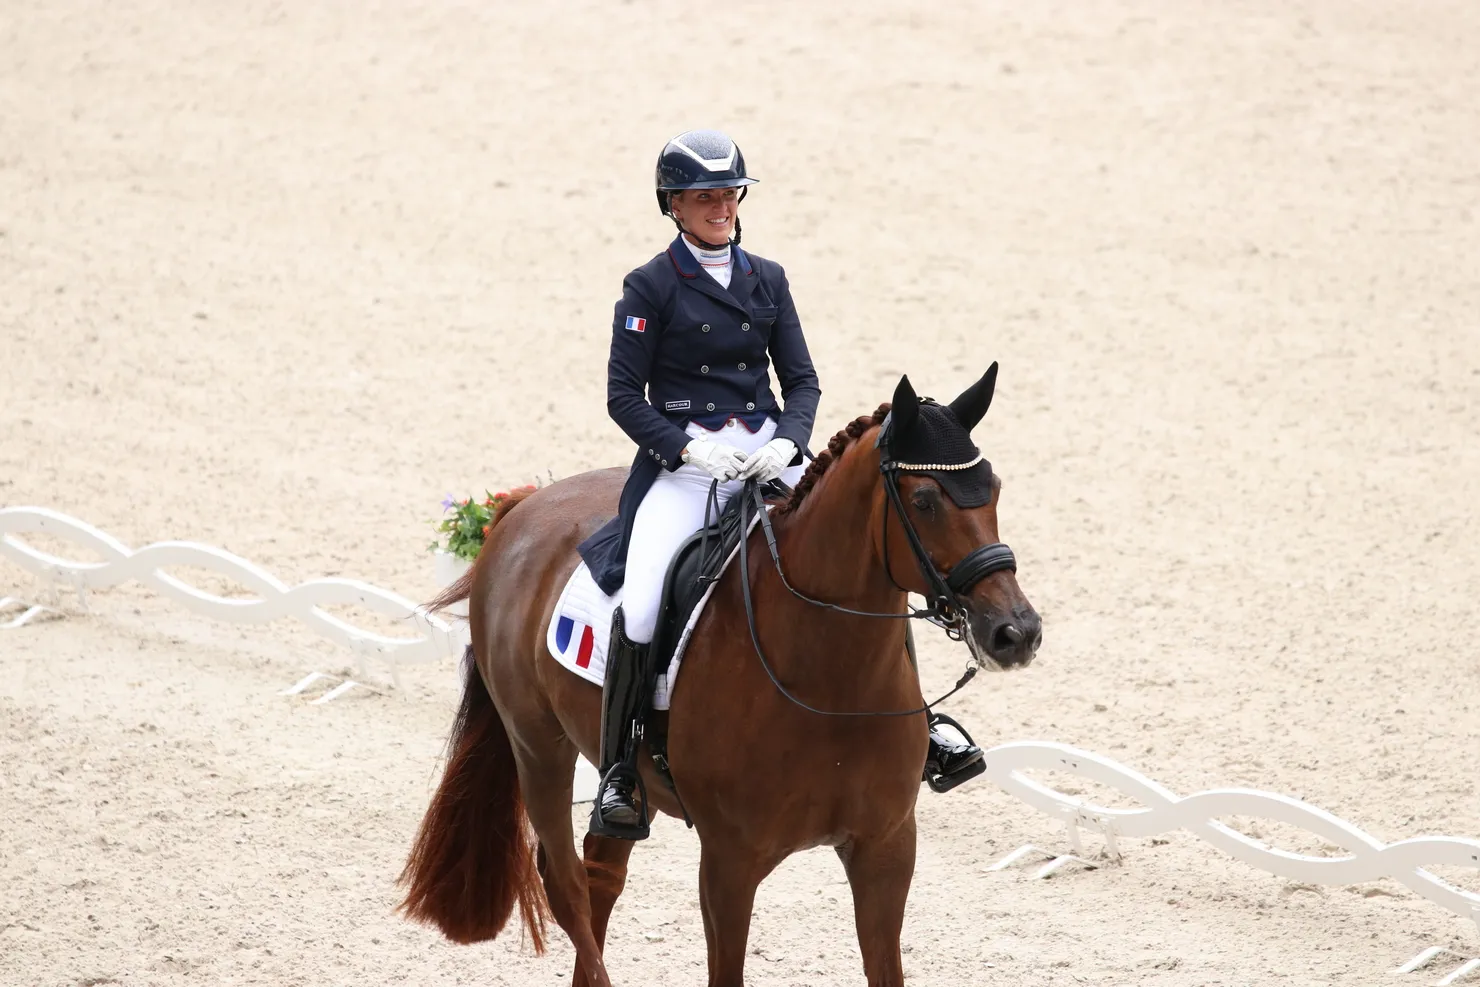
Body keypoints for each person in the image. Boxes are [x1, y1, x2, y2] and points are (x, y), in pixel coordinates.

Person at [576, 130, 984, 841]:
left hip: (769, 454)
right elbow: (622, 394)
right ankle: (620, 770)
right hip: (684, 469)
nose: (720, 207)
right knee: (641, 604)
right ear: (673, 205)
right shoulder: (650, 285)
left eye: (729, 193)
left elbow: (801, 379)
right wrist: (688, 448)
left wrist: (790, 440)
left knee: (867, 557)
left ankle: (923, 723)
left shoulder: (767, 277)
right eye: (705, 196)